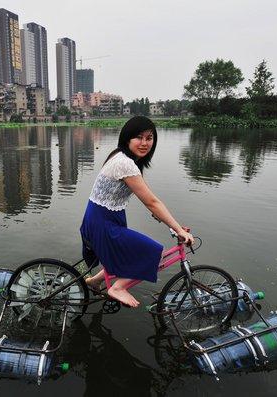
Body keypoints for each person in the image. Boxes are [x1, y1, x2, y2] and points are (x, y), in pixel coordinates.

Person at [80, 116, 194, 308]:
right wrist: (179, 229)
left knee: (128, 254)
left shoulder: (123, 157)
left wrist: (171, 224)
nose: (144, 143)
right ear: (127, 138)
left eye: (149, 138)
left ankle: (95, 281)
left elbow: (147, 196)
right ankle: (117, 288)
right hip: (103, 224)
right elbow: (151, 201)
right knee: (153, 251)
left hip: (102, 218)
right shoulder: (125, 163)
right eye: (138, 138)